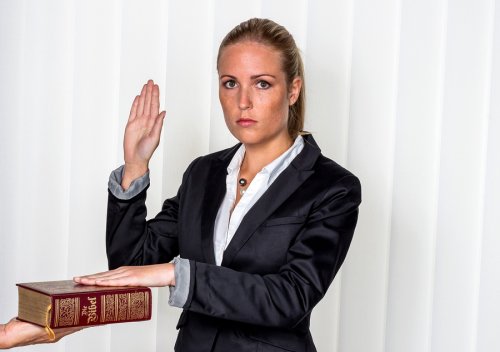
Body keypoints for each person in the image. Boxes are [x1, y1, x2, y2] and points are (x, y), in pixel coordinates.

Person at [0, 18, 360, 351]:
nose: (243, 101)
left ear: (293, 90)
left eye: (262, 83)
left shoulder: (333, 188)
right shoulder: (203, 173)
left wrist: (176, 272)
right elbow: (133, 264)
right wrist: (135, 166)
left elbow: (290, 298)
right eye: (230, 83)